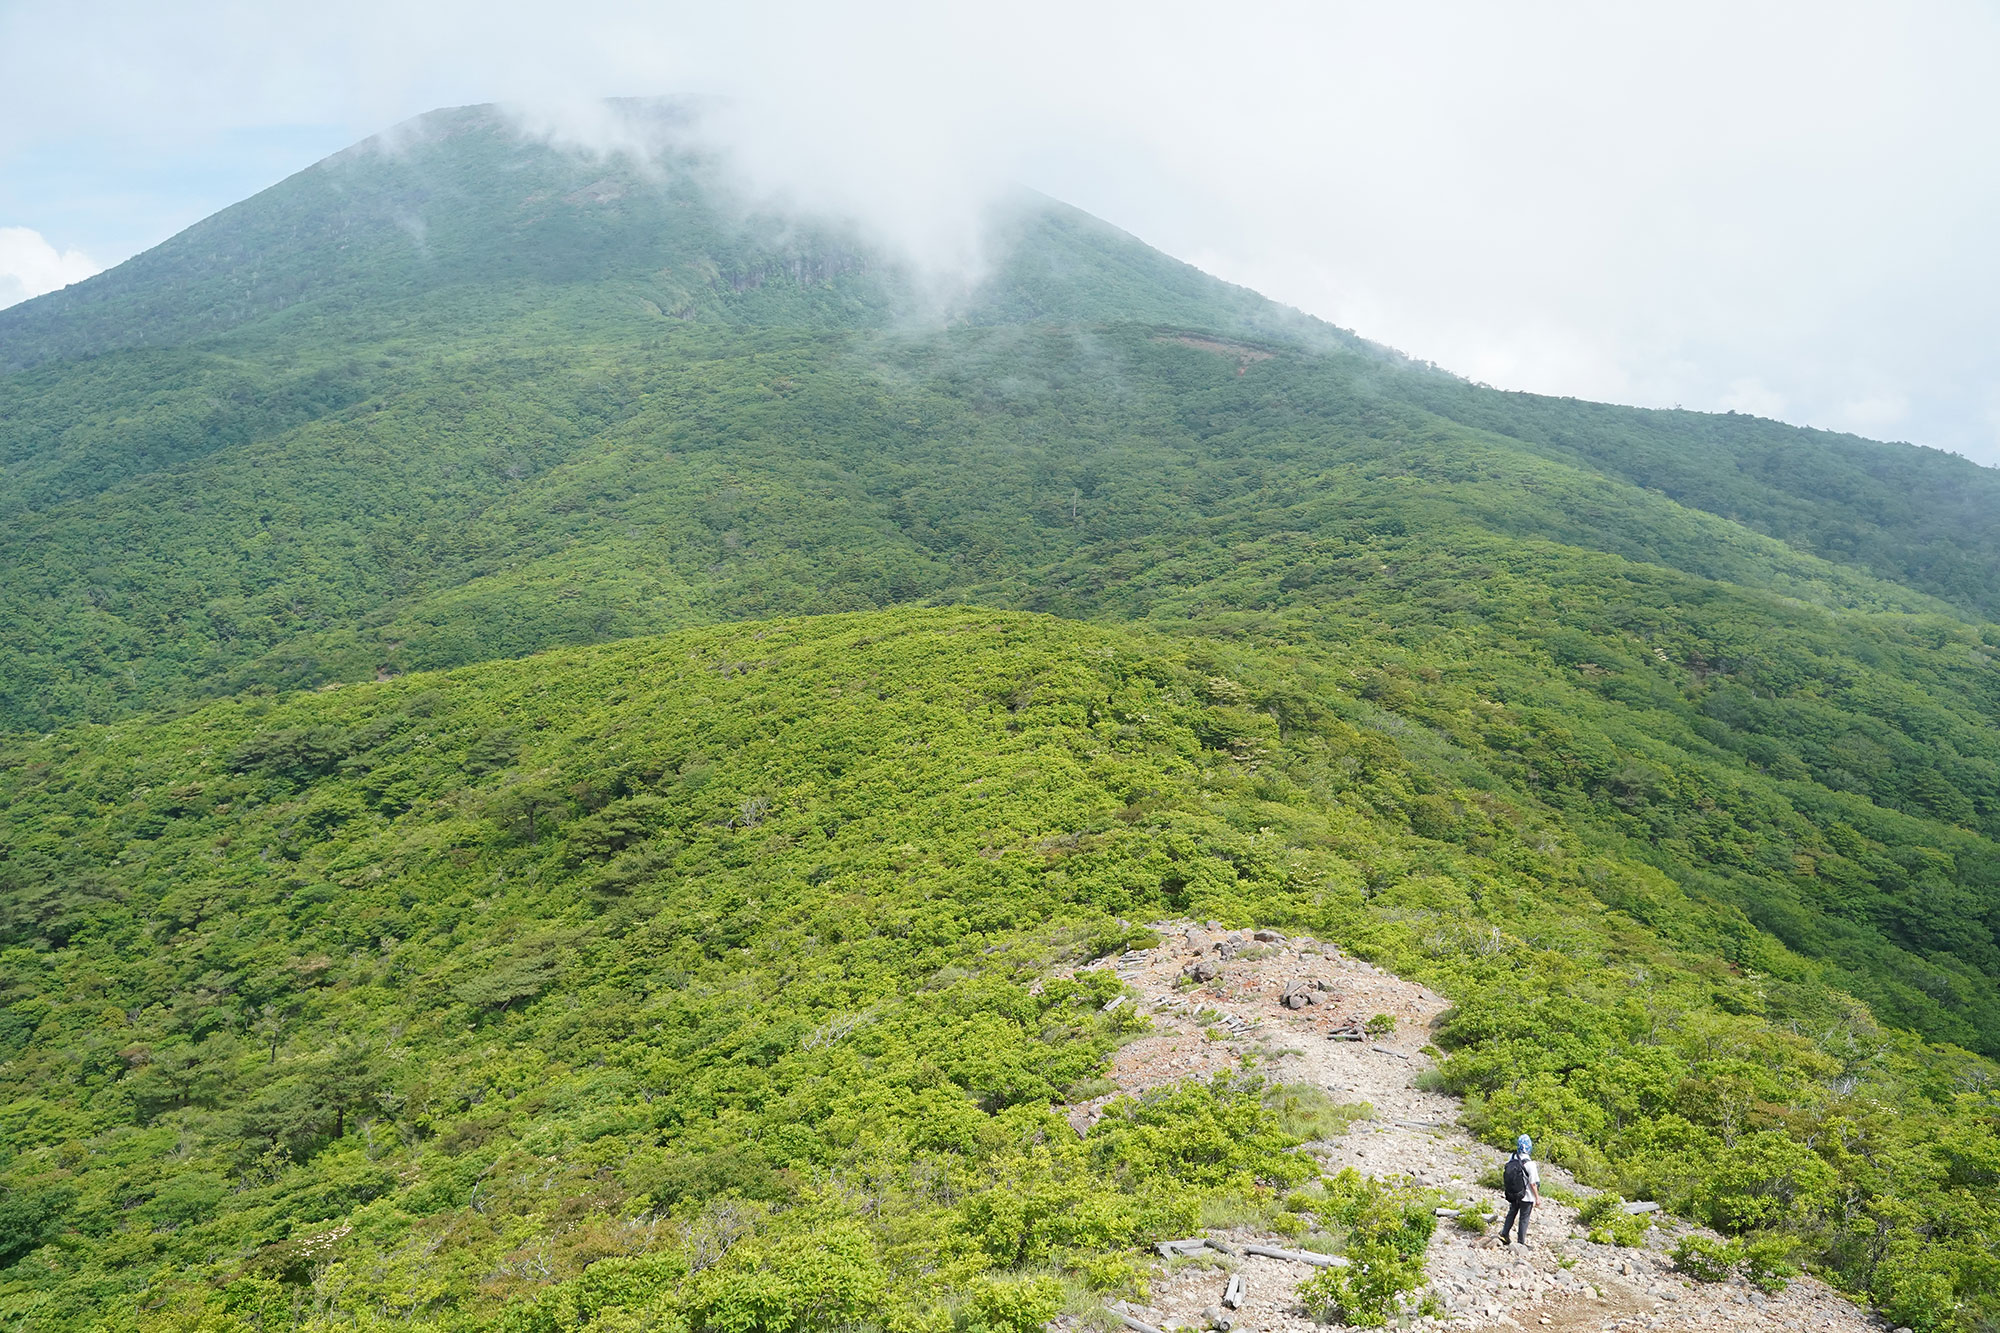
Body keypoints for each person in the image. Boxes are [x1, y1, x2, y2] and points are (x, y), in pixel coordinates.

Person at [1500, 1134, 1541, 1247]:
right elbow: (1533, 1183)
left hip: (1514, 1193)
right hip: (1527, 1195)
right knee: (1524, 1218)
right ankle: (1521, 1243)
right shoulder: (1530, 1164)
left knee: (1512, 1212)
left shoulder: (1512, 1157)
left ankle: (1504, 1234)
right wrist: (1537, 1198)